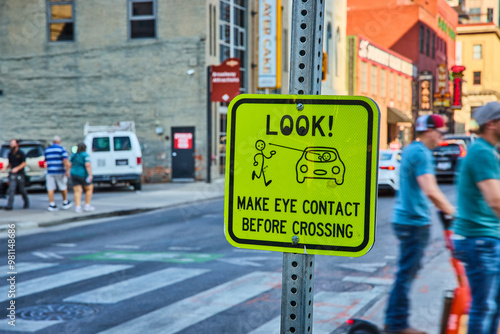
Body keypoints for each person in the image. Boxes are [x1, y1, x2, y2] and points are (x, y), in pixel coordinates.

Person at [384, 114, 455, 334]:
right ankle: (396, 324)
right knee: (406, 274)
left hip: (406, 219)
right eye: (440, 132)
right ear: (430, 131)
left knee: (406, 272)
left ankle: (395, 321)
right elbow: (431, 190)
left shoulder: (411, 150)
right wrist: (453, 212)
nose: (441, 138)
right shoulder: (422, 154)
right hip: (414, 222)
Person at [453, 102, 500, 334]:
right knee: (484, 307)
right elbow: (496, 201)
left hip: (485, 237)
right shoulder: (482, 152)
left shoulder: (487, 151)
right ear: (492, 123)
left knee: (493, 306)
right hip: (480, 240)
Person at [45, 136, 73, 211]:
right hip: (60, 171)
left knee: (50, 188)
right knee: (63, 186)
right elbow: (65, 160)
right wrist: (67, 170)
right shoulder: (61, 149)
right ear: (59, 142)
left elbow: (45, 161)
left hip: (50, 171)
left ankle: (52, 204)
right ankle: (65, 202)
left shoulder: (47, 150)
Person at [1, 139, 29, 210]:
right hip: (12, 174)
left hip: (20, 174)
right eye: (11, 144)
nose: (11, 145)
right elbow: (10, 163)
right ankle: (10, 205)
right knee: (11, 189)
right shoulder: (10, 154)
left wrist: (17, 168)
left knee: (22, 189)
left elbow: (24, 163)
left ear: (17, 145)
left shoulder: (21, 153)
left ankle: (26, 202)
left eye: (13, 144)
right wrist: (5, 168)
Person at [70, 142, 94, 213]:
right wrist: (90, 174)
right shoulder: (85, 155)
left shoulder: (74, 155)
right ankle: (87, 205)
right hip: (82, 174)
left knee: (77, 190)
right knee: (89, 188)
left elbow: (69, 164)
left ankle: (78, 207)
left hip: (74, 173)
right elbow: (87, 165)